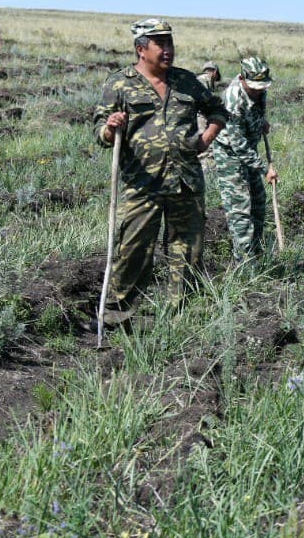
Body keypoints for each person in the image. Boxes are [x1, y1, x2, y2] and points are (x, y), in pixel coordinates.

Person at [93, 18, 228, 320]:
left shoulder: (186, 81)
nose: (168, 50)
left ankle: (179, 317)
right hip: (142, 185)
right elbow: (99, 131)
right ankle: (117, 316)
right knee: (132, 251)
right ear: (141, 49)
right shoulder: (120, 83)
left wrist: (206, 138)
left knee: (186, 253)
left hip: (186, 182)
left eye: (170, 43)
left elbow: (218, 109)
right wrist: (109, 128)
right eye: (160, 44)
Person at [212, 57, 279, 263]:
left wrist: (261, 122)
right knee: (240, 209)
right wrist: (264, 169)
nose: (258, 91)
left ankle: (257, 254)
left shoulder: (259, 89)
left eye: (261, 87)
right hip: (230, 155)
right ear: (242, 79)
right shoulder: (233, 100)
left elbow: (255, 111)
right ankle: (244, 264)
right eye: (254, 87)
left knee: (259, 202)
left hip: (248, 149)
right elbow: (238, 144)